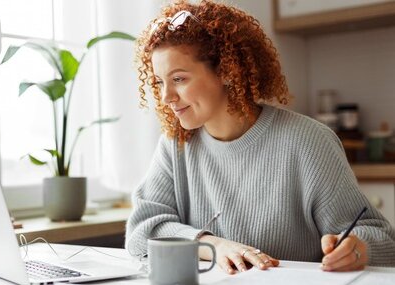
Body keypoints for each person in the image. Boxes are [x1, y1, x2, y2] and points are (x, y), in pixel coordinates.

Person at [125, 0, 395, 274]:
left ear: (227, 72)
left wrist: (357, 248)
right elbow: (142, 232)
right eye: (159, 82)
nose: (166, 97)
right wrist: (212, 245)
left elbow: (381, 238)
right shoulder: (176, 145)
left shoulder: (309, 142)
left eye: (179, 79)